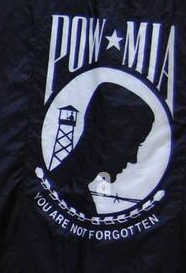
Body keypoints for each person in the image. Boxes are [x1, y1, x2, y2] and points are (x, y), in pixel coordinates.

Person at [51, 81, 156, 218]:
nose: (133, 159)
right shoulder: (71, 199)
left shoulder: (61, 192)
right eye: (133, 144)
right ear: (109, 136)